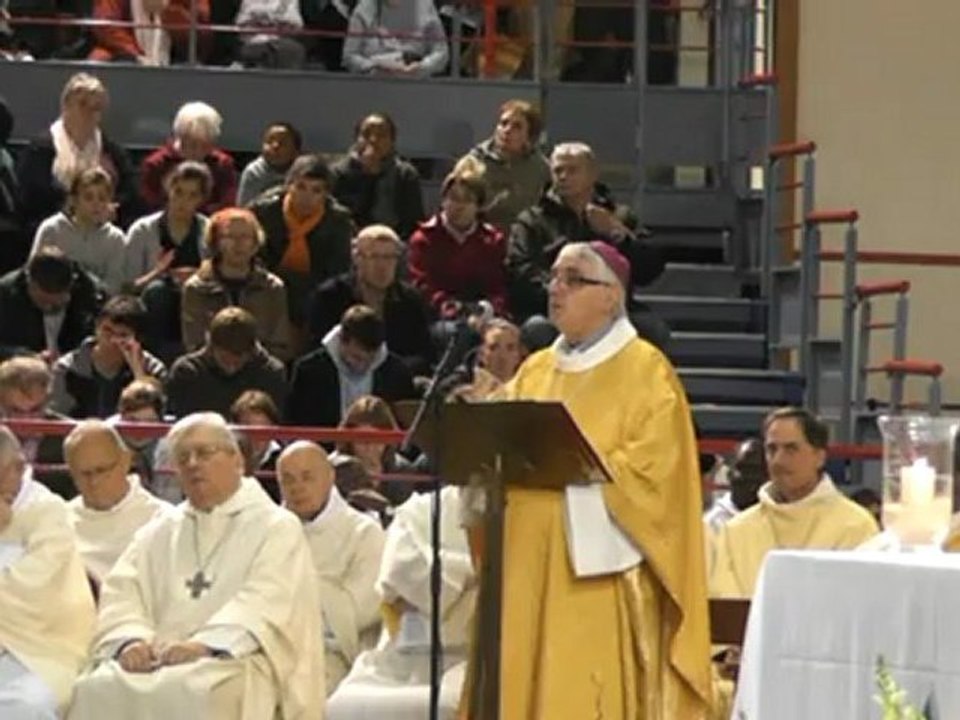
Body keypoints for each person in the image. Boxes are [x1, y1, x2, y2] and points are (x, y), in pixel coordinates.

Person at [463, 241, 712, 718]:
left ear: (612, 296)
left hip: (589, 572)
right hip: (519, 564)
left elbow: (656, 477)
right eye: (554, 277)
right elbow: (505, 450)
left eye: (573, 279)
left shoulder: (646, 371)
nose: (556, 288)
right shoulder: (536, 368)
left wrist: (572, 472)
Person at [67, 412, 325, 719]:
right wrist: (130, 640)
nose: (193, 464)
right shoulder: (161, 528)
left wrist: (205, 645)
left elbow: (268, 600)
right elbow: (123, 590)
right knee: (95, 688)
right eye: (183, 457)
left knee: (199, 690)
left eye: (204, 453)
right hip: (158, 655)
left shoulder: (275, 526)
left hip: (234, 658)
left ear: (236, 460)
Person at [326, 486, 475, 720]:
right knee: (342, 705)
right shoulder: (418, 509)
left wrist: (444, 576)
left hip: (468, 654)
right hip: (407, 648)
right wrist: (465, 574)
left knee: (446, 704)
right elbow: (399, 574)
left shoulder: (510, 511)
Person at [709, 407, 880, 599]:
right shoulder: (736, 531)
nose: (778, 460)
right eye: (772, 449)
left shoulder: (855, 527)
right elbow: (725, 606)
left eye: (791, 449)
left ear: (819, 456)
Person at [0, 425, 97, 718]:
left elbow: (33, 590)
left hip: (38, 649)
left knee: (23, 706)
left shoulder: (48, 513)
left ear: (18, 467)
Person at [506, 142, 662, 322]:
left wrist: (617, 233)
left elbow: (651, 268)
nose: (563, 177)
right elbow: (520, 271)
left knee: (651, 326)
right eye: (558, 171)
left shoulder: (619, 216)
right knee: (536, 328)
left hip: (610, 310)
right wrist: (571, 289)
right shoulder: (532, 220)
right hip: (552, 309)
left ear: (592, 174)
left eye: (572, 170)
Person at [277, 441, 385, 693]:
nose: (297, 488)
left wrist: (301, 587)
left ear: (330, 477)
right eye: (288, 480)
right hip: (270, 647)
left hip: (330, 652)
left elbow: (359, 612)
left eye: (307, 477)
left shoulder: (363, 532)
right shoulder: (269, 532)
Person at [16, 73, 138, 243]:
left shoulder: (111, 151)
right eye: (82, 104)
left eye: (96, 108)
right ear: (65, 106)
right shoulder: (41, 148)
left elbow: (131, 191)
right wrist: (75, 210)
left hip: (102, 233)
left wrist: (110, 208)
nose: (89, 112)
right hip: (53, 235)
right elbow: (31, 197)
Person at [308, 224, 433, 376]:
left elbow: (424, 354)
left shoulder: (410, 300)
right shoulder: (330, 297)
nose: (382, 265)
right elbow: (318, 352)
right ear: (357, 259)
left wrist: (391, 370)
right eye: (374, 257)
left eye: (389, 257)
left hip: (394, 382)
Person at [250, 154, 354, 330]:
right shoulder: (263, 211)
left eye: (316, 190)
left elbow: (338, 270)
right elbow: (253, 257)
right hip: (267, 288)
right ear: (288, 185)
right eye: (301, 187)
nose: (307, 197)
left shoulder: (338, 221)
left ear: (326, 193)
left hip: (315, 292)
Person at [125, 160, 212, 361]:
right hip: (154, 306)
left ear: (201, 199)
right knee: (158, 292)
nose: (183, 201)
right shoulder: (143, 230)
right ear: (168, 190)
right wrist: (158, 272)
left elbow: (218, 276)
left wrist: (198, 276)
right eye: (178, 192)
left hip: (195, 301)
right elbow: (128, 288)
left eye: (192, 195)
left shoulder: (208, 230)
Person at [64, 419, 170, 582]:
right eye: (84, 474)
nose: (94, 481)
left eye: (101, 470)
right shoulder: (59, 521)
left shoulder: (162, 519)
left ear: (125, 461)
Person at [181, 207, 292, 361]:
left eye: (245, 236)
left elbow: (279, 346)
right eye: (229, 236)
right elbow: (194, 344)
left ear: (255, 242)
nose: (238, 243)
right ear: (216, 242)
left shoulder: (272, 287)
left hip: (258, 370)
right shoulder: (196, 288)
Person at [288, 304, 417, 430]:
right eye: (356, 357)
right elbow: (297, 424)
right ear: (342, 341)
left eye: (371, 360)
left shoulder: (397, 374)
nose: (363, 366)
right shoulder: (309, 372)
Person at [407, 170, 508, 319]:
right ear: (443, 201)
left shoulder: (493, 240)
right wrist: (448, 307)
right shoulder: (424, 239)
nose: (459, 206)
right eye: (453, 198)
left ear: (478, 206)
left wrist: (488, 309)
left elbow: (498, 286)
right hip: (438, 318)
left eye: (467, 200)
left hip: (484, 316)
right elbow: (422, 285)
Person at [50, 295, 167, 418]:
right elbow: (57, 416)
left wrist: (139, 373)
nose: (112, 340)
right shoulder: (67, 368)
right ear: (96, 327)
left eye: (123, 335)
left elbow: (153, 419)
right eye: (107, 330)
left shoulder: (155, 370)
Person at [166, 306, 288, 418]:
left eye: (238, 361)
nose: (231, 368)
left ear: (251, 352)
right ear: (211, 346)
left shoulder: (271, 373)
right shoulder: (187, 372)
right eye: (224, 359)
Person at [455, 99, 550, 233]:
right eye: (503, 123)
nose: (507, 130)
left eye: (517, 126)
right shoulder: (473, 162)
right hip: (481, 239)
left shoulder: (541, 167)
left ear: (529, 135)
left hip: (524, 239)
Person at [30, 166, 128, 295]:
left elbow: (114, 286)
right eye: (88, 198)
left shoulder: (116, 238)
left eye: (102, 198)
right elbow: (33, 273)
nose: (96, 204)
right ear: (73, 200)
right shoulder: (52, 229)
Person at [0, 247, 105, 361]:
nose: (48, 307)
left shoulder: (91, 295)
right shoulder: (5, 295)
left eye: (56, 304)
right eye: (43, 301)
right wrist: (27, 357)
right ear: (30, 283)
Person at [330, 113, 425, 238]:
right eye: (366, 134)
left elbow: (413, 221)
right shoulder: (338, 172)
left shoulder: (405, 174)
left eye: (382, 135)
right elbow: (335, 217)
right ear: (356, 139)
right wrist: (367, 176)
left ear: (392, 141)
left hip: (394, 244)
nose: (373, 140)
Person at [139, 101, 237, 215]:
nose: (199, 151)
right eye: (193, 144)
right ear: (180, 137)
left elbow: (227, 205)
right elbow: (149, 205)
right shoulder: (155, 165)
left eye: (206, 145)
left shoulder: (223, 164)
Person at [0, 356, 73, 498]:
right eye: (16, 411)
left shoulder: (70, 436)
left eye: (35, 410)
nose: (26, 420)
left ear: (48, 402)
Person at [332, 394, 416, 517]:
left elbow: (407, 518)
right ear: (349, 439)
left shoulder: (403, 472)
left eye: (376, 438)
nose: (369, 446)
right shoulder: (331, 470)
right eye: (361, 439)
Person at [342, 0, 449, 77]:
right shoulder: (364, 9)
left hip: (416, 85)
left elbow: (441, 53)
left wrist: (422, 66)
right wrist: (372, 67)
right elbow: (349, 56)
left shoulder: (425, 6)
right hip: (373, 86)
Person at [111, 378, 176, 502]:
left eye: (149, 422)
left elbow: (171, 499)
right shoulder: (105, 438)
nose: (140, 431)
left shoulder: (170, 444)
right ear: (121, 416)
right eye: (133, 421)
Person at [89, 0, 211, 65]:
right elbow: (106, 25)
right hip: (125, 55)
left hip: (176, 58)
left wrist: (166, 11)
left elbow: (202, 34)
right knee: (98, 61)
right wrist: (137, 56)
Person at [229, 389, 284, 503]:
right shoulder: (226, 460)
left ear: (273, 427)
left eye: (261, 430)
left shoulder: (285, 458)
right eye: (249, 431)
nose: (255, 438)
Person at [237, 122, 302, 206]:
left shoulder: (304, 170)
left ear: (296, 151)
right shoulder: (253, 171)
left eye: (283, 142)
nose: (275, 146)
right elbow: (244, 208)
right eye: (269, 141)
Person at [233, 0, 306, 69]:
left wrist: (268, 20)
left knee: (292, 50)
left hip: (282, 41)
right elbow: (242, 23)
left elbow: (294, 24)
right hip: (254, 40)